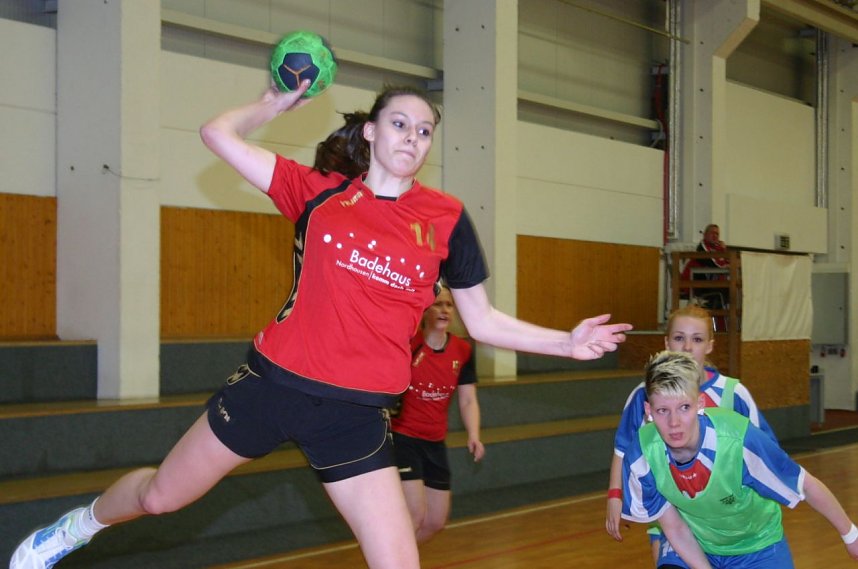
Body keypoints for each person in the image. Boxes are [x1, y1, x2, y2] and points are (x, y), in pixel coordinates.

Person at [9, 80, 632, 569]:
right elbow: (215, 134)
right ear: (371, 131)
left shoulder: (445, 219)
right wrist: (272, 103)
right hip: (270, 385)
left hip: (354, 415)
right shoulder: (319, 195)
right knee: (160, 499)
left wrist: (566, 342)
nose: (413, 137)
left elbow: (482, 318)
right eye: (399, 123)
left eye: (424, 130)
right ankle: (79, 526)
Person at [620, 350, 858, 568]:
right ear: (649, 412)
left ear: (700, 404)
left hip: (757, 546)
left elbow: (804, 484)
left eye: (684, 407)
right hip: (695, 540)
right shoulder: (642, 455)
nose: (674, 423)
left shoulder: (740, 441)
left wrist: (851, 535)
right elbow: (675, 527)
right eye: (663, 410)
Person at [605, 304, 774, 568]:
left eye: (696, 339)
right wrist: (616, 496)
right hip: (672, 513)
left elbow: (766, 456)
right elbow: (623, 449)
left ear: (709, 345)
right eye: (679, 338)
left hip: (728, 523)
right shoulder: (644, 394)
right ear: (666, 341)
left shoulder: (732, 392)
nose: (686, 347)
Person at [391, 285, 483, 544]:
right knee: (415, 514)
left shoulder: (463, 350)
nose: (444, 310)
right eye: (438, 304)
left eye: (449, 305)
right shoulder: (409, 345)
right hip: (403, 439)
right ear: (425, 309)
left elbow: (467, 399)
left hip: (435, 441)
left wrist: (474, 434)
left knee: (435, 521)